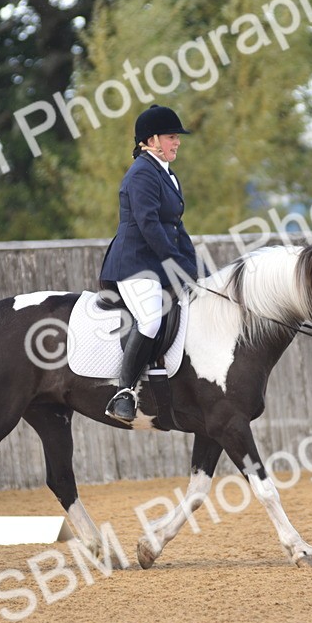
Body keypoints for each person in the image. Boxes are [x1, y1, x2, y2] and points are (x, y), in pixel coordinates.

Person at [98, 105, 199, 424]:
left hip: (156, 262)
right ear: (151, 140)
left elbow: (176, 226)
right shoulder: (141, 172)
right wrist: (173, 263)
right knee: (151, 320)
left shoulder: (167, 173)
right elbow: (149, 223)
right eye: (171, 137)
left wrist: (192, 268)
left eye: (176, 138)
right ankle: (123, 392)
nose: (177, 143)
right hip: (134, 264)